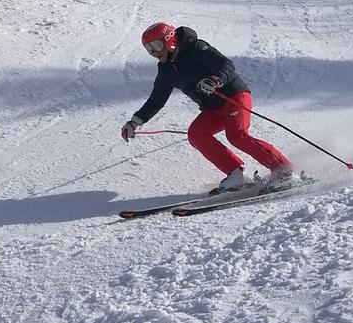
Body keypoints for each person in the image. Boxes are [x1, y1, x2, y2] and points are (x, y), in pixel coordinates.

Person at [121, 22, 294, 194]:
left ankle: (283, 171)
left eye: (156, 45)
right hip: (212, 108)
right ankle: (237, 174)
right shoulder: (166, 71)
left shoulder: (196, 48)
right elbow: (156, 100)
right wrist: (135, 122)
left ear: (169, 40)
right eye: (148, 48)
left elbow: (225, 64)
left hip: (234, 96)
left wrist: (215, 80)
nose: (154, 52)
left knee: (236, 135)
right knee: (196, 134)